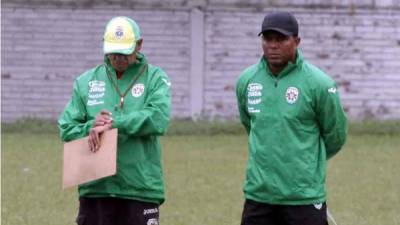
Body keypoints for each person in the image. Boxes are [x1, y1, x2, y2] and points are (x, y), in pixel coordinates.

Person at [236, 11, 348, 225]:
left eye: (281, 39)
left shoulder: (319, 84)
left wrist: (306, 161)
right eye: (268, 39)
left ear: (296, 41)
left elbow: (336, 135)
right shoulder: (247, 80)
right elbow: (250, 125)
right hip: (259, 195)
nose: (273, 45)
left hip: (303, 196)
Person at [58, 16, 171, 225]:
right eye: (113, 52)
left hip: (140, 188)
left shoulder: (155, 78)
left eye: (124, 52)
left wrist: (114, 123)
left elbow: (158, 118)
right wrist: (90, 127)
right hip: (96, 189)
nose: (118, 58)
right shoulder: (85, 82)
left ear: (139, 45)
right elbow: (66, 128)